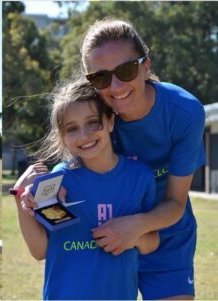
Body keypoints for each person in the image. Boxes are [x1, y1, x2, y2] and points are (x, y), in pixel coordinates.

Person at [77, 19, 204, 300]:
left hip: (169, 237)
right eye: (100, 78)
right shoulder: (90, 114)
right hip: (108, 240)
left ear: (146, 65)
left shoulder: (185, 113)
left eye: (125, 69)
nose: (115, 86)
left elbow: (176, 203)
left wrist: (137, 226)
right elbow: (72, 176)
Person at [14, 78, 159, 299]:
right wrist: (20, 197)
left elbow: (152, 243)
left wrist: (132, 235)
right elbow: (40, 251)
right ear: (62, 136)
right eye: (72, 128)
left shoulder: (141, 177)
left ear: (110, 121)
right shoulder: (58, 180)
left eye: (92, 122)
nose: (84, 135)